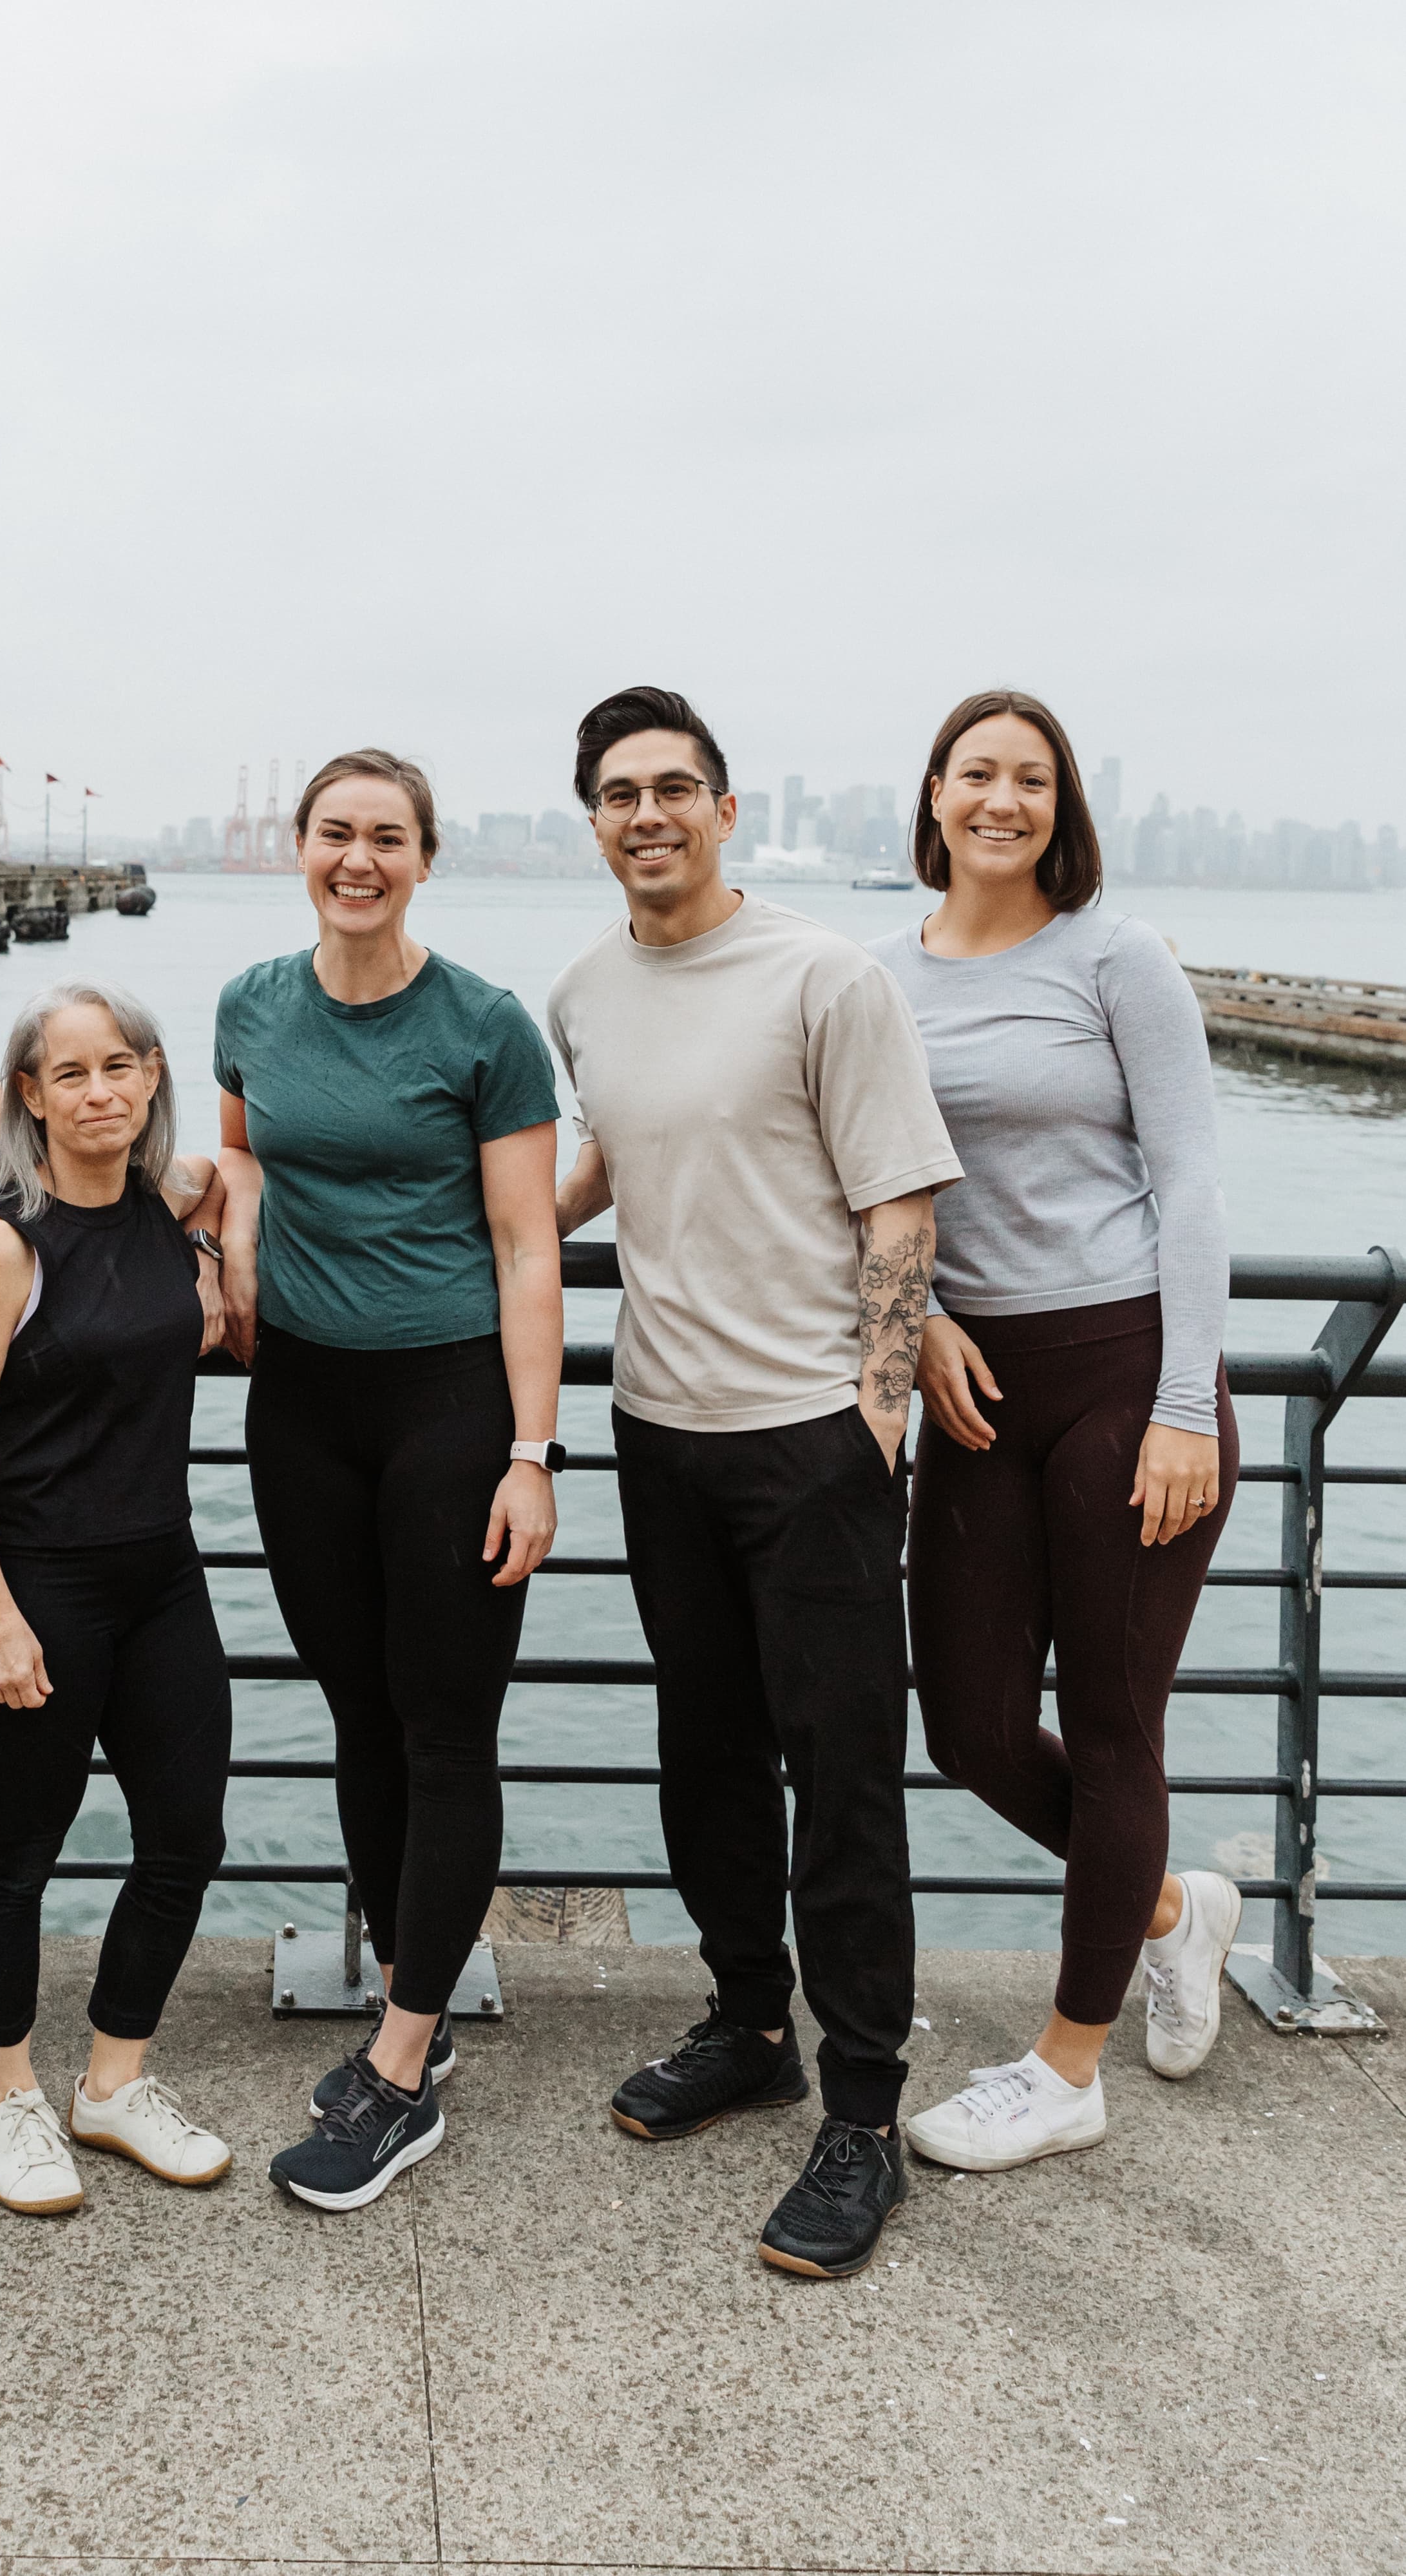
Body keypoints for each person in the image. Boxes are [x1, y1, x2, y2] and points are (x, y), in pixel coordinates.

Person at [548, 685, 964, 2282]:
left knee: (843, 1778)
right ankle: (748, 2023)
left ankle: (862, 2110)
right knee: (705, 1753)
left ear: (722, 806)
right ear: (593, 820)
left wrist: (875, 1422)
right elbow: (610, 1166)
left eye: (674, 787)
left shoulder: (827, 975)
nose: (646, 814)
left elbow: (899, 1209)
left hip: (812, 1439)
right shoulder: (586, 986)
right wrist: (459, 1224)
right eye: (618, 794)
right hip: (662, 1426)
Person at [871, 691, 1241, 2175]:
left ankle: (1069, 2062)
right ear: (937, 797)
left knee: (1110, 1726)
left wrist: (1182, 1405)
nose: (1003, 799)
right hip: (973, 1384)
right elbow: (869, 1181)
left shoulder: (1117, 954)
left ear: (1060, 803)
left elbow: (1194, 1180)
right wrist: (923, 1318)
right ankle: (1168, 1907)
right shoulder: (877, 976)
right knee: (961, 1722)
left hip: (1125, 1371)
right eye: (979, 773)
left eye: (1031, 777)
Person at [214, 749, 564, 2213]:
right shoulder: (250, 1002)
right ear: (299, 846)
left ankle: (406, 2062)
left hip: (449, 1404)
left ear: (427, 857)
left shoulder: (484, 1024)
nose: (358, 858)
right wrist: (226, 1251)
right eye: (334, 833)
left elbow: (529, 1243)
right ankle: (401, 1987)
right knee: (358, 1705)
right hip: (299, 1401)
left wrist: (533, 1454)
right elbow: (239, 1157)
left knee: (445, 1725)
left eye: (388, 837)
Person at [0, 981, 233, 2216]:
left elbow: (227, 1178)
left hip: (162, 1574)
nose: (99, 1091)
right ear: (31, 1100)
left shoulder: (169, 1207)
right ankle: (11, 2095)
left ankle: (111, 2085)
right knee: (18, 1851)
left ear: (152, 1076)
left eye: (122, 1066)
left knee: (185, 1838)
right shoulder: (1, 1244)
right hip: (38, 1584)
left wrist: (218, 1245)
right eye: (70, 1075)